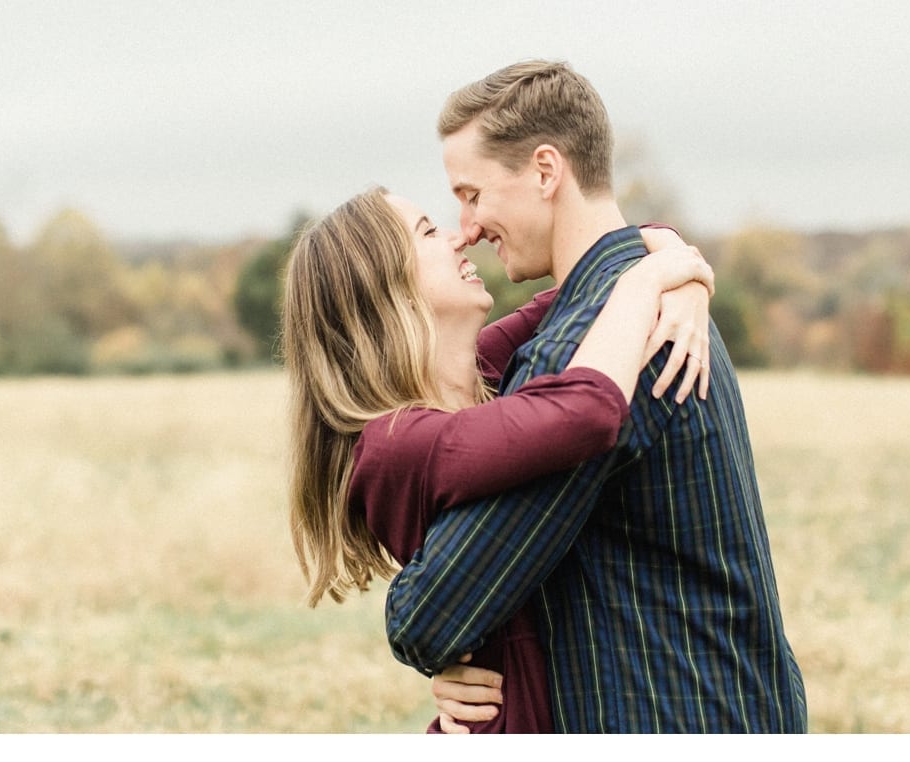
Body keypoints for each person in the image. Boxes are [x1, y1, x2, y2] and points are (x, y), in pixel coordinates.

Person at [385, 60, 809, 733]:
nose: (465, 227)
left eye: (471, 194)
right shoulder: (653, 299)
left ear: (547, 172)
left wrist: (436, 649)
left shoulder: (594, 354)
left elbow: (437, 612)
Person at [283, 186, 716, 732]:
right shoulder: (395, 443)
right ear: (385, 288)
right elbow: (587, 412)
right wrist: (652, 280)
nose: (459, 235)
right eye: (427, 231)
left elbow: (598, 276)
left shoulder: (480, 370)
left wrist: (686, 282)